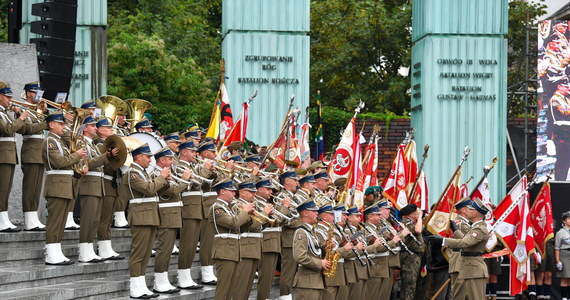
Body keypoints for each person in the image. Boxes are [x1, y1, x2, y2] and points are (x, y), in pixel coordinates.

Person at [119, 143, 169, 299]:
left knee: (146, 253)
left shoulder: (142, 171)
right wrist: (161, 177)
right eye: (147, 157)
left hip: (149, 215)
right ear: (138, 157)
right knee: (138, 253)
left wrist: (165, 180)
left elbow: (154, 191)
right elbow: (148, 189)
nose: (150, 160)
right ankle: (135, 286)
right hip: (141, 216)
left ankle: (141, 285)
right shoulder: (133, 173)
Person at [42, 112, 86, 264]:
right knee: (55, 220)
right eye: (60, 124)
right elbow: (59, 162)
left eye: (63, 124)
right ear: (51, 125)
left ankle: (56, 250)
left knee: (60, 222)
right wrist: (77, 156)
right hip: (56, 185)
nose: (64, 126)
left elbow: (67, 163)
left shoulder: (60, 142)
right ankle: (50, 252)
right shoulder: (50, 141)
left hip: (64, 185)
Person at [429, 197, 491, 300]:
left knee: (475, 297)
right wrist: (456, 231)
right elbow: (466, 240)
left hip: (474, 269)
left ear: (475, 213)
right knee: (459, 297)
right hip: (467, 267)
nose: (468, 211)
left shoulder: (480, 229)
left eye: (471, 209)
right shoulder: (475, 227)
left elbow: (465, 242)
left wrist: (443, 240)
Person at [152, 147, 191, 294]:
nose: (172, 162)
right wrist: (185, 180)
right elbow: (172, 191)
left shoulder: (168, 173)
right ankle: (159, 280)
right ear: (161, 160)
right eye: (169, 159)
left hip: (173, 214)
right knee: (164, 249)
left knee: (168, 250)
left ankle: (164, 279)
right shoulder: (157, 173)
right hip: (166, 214)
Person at [77, 116, 116, 263]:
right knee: (88, 219)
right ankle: (83, 251)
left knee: (94, 220)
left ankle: (89, 250)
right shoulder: (81, 143)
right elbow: (86, 164)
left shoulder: (92, 144)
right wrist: (105, 156)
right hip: (89, 184)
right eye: (92, 125)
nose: (95, 128)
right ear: (85, 128)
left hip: (97, 184)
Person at [209, 178, 255, 300]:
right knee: (223, 289)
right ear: (223, 191)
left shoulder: (229, 207)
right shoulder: (216, 208)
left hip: (233, 251)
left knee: (231, 288)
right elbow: (233, 223)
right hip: (225, 252)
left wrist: (249, 217)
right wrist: (244, 212)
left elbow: (240, 228)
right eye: (231, 191)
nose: (234, 194)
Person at [230, 180, 272, 299]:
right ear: (242, 192)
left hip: (254, 246)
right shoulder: (238, 205)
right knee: (241, 284)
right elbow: (250, 225)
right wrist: (264, 213)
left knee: (248, 285)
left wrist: (265, 216)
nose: (254, 195)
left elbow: (260, 226)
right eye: (251, 192)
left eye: (254, 192)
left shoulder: (253, 205)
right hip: (245, 246)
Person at [0, 81, 31, 231]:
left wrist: (18, 114)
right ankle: (1, 220)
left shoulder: (4, 112)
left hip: (9, 155)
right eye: (7, 97)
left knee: (6, 189)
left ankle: (4, 219)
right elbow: (8, 130)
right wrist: (22, 117)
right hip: (3, 156)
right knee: (2, 188)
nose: (10, 100)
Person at [176, 141, 208, 290]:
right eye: (191, 151)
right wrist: (205, 170)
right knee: (187, 244)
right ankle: (183, 276)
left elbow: (205, 183)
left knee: (193, 243)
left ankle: (186, 274)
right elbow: (197, 183)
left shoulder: (193, 166)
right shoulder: (179, 166)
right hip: (189, 208)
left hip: (197, 208)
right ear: (183, 152)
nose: (194, 154)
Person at [93, 118, 124, 260]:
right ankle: (103, 247)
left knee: (108, 217)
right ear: (100, 130)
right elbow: (105, 165)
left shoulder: (109, 145)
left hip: (112, 183)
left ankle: (106, 246)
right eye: (107, 127)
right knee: (104, 218)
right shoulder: (100, 145)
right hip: (106, 182)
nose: (111, 129)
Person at [19, 81, 49, 231]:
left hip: (39, 152)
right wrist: (46, 123)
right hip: (30, 150)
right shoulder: (22, 108)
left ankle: (34, 218)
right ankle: (28, 220)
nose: (37, 95)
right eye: (34, 92)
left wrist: (44, 115)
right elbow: (27, 128)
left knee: (37, 188)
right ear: (28, 93)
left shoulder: (37, 109)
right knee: (30, 187)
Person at [255, 177, 290, 300]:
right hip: (267, 243)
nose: (271, 192)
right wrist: (284, 207)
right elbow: (277, 220)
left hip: (273, 242)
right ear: (259, 190)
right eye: (267, 189)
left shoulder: (266, 203)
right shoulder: (258, 203)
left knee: (268, 279)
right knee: (265, 278)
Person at [292, 198, 330, 300]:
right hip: (307, 283)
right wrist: (320, 263)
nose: (317, 213)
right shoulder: (301, 232)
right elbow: (300, 256)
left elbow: (314, 251)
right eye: (314, 211)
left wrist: (324, 248)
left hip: (314, 282)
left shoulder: (310, 231)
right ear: (305, 213)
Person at [277, 170, 303, 299]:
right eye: (295, 180)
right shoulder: (281, 196)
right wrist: (303, 222)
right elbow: (284, 219)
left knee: (296, 270)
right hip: (288, 239)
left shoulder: (294, 196)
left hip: (297, 237)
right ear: (287, 181)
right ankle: (284, 296)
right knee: (288, 271)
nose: (297, 183)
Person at [398, 204, 426, 300]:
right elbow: (418, 230)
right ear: (411, 214)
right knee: (408, 287)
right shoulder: (406, 222)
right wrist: (420, 218)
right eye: (417, 212)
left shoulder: (414, 222)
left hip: (415, 258)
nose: (418, 214)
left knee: (414, 287)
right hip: (409, 258)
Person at [555, 211, 570, 300]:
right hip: (564, 255)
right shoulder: (560, 233)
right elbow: (557, 248)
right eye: (568, 219)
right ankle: (564, 298)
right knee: (565, 277)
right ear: (564, 221)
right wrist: (558, 261)